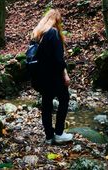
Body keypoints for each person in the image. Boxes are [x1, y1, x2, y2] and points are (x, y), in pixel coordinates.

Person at [31, 9, 73, 144]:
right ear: (56, 20)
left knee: (46, 105)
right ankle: (59, 133)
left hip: (41, 77)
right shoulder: (53, 33)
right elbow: (58, 59)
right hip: (54, 76)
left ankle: (49, 136)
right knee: (64, 99)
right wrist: (65, 75)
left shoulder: (38, 35)